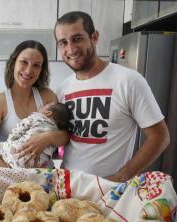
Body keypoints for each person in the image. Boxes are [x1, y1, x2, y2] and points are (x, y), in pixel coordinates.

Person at [54, 11, 170, 182]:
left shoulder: (129, 81)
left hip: (109, 190)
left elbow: (160, 137)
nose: (70, 49)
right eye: (63, 42)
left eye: (77, 38)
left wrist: (121, 176)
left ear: (94, 37)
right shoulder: (63, 89)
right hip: (67, 185)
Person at [0, 40, 69, 167]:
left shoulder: (47, 96)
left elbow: (65, 136)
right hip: (13, 177)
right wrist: (11, 174)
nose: (28, 70)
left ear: (41, 70)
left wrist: (47, 138)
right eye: (24, 62)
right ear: (14, 63)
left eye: (36, 65)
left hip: (45, 176)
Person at [0, 102, 70, 168]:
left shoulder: (37, 118)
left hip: (19, 154)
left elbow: (19, 129)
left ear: (48, 113)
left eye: (46, 105)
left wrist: (10, 141)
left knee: (0, 146)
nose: (42, 105)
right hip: (38, 164)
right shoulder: (56, 131)